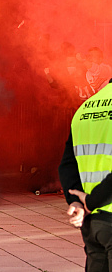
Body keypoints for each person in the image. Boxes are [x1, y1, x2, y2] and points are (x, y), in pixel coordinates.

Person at [59, 80, 112, 269]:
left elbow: (67, 164)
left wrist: (75, 201)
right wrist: (93, 200)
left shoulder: (85, 109)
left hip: (92, 223)